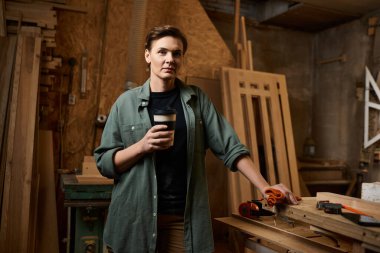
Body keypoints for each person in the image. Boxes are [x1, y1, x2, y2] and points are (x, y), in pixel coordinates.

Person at [94, 25, 299, 253]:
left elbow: (230, 147)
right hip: (133, 220)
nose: (169, 59)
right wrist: (142, 146)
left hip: (182, 220)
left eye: (176, 53)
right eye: (162, 52)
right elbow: (104, 163)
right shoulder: (125, 103)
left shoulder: (196, 100)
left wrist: (266, 187)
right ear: (147, 55)